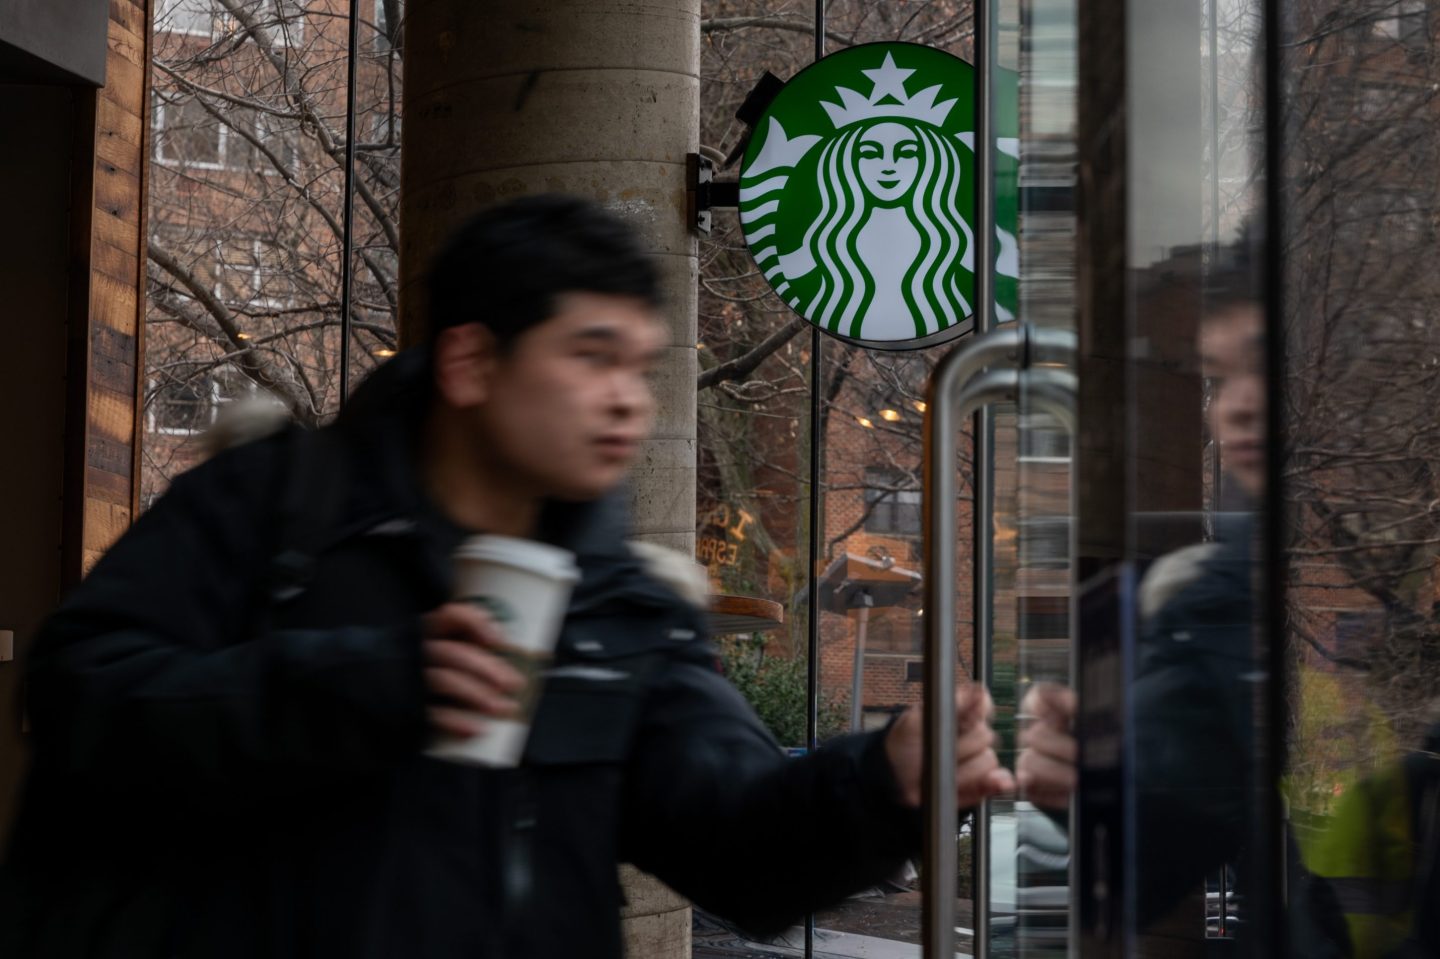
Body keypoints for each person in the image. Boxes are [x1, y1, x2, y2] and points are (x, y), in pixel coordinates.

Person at [0, 194, 1012, 959]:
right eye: (592, 355)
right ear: (472, 363)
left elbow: (736, 844)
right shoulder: (274, 508)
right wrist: (363, 683)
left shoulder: (621, 604)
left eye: (641, 365)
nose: (629, 401)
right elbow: (79, 692)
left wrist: (882, 786)